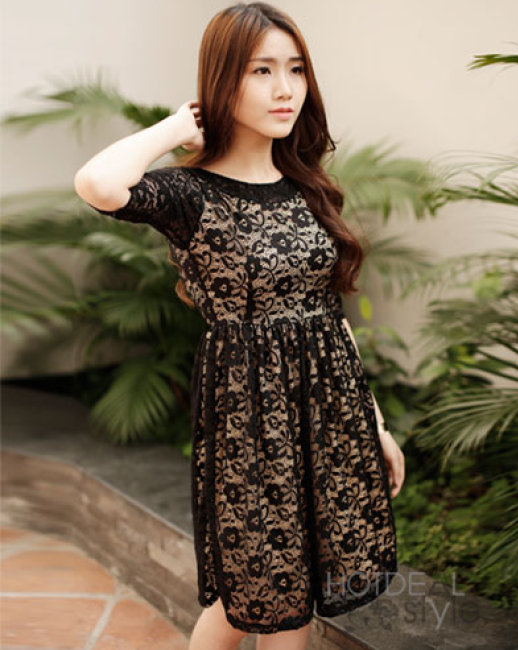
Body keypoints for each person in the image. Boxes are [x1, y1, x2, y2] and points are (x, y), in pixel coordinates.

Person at [74, 2, 405, 649]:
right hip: (251, 424)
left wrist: (376, 424)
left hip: (326, 417)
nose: (286, 89)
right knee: (257, 599)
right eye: (261, 70)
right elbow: (98, 184)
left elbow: (330, 320)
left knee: (282, 601)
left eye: (296, 69)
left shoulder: (306, 185)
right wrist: (178, 125)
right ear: (222, 81)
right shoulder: (192, 195)